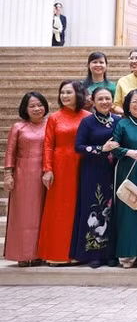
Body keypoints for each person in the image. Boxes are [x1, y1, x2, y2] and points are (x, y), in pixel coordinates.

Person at [38, 81, 90, 264]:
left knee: (80, 207)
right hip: (60, 167)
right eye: (62, 93)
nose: (64, 96)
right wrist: (47, 169)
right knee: (60, 209)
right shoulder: (54, 117)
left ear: (78, 94)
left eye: (69, 92)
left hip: (83, 165)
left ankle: (79, 253)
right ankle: (57, 253)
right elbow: (48, 145)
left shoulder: (88, 117)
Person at [71, 87, 120, 267]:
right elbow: (78, 147)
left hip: (113, 169)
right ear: (93, 101)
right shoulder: (87, 122)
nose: (105, 102)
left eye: (107, 98)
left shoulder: (118, 120)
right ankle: (93, 253)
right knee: (94, 207)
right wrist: (100, 149)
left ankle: (110, 253)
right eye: (100, 99)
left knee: (112, 209)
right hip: (92, 170)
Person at [110, 89, 137, 268]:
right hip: (126, 171)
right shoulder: (122, 124)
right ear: (127, 105)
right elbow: (113, 146)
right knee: (128, 211)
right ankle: (126, 254)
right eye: (134, 102)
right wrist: (127, 152)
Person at [3, 92, 49, 266]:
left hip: (46, 174)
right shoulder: (18, 127)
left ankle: (39, 253)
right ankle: (22, 254)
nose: (37, 109)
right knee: (23, 215)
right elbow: (10, 152)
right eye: (32, 106)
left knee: (42, 214)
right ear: (25, 109)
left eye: (40, 105)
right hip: (23, 175)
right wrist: (8, 174)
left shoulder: (50, 124)